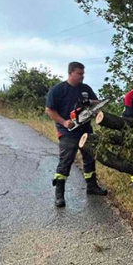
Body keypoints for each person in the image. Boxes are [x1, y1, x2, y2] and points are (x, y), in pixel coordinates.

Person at [44, 61, 107, 208]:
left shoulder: (85, 89)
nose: (82, 77)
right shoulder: (58, 90)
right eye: (79, 74)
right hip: (68, 132)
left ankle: (92, 186)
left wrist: (90, 102)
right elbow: (49, 110)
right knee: (66, 161)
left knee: (89, 158)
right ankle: (59, 194)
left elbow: (96, 103)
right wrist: (64, 122)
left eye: (83, 74)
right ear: (71, 73)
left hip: (85, 129)